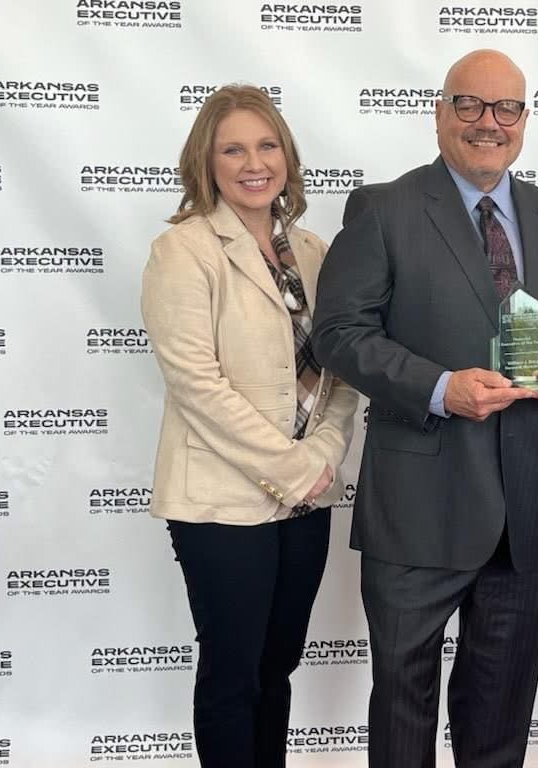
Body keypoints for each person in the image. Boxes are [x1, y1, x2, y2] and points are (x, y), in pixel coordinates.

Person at [312, 49, 538, 768]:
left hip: (528, 504)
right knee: (403, 705)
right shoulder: (382, 209)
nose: (489, 123)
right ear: (440, 113)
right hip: (420, 503)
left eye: (506, 108)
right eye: (470, 104)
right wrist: (440, 388)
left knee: (500, 717)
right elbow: (339, 334)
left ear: (524, 120)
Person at [140, 84, 357, 768]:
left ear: (286, 157)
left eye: (267, 146)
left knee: (277, 666)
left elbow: (342, 374)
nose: (253, 163)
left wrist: (323, 454)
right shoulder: (183, 251)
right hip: (220, 502)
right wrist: (293, 467)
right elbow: (197, 385)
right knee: (233, 675)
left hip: (308, 497)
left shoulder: (317, 253)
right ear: (206, 163)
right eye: (232, 149)